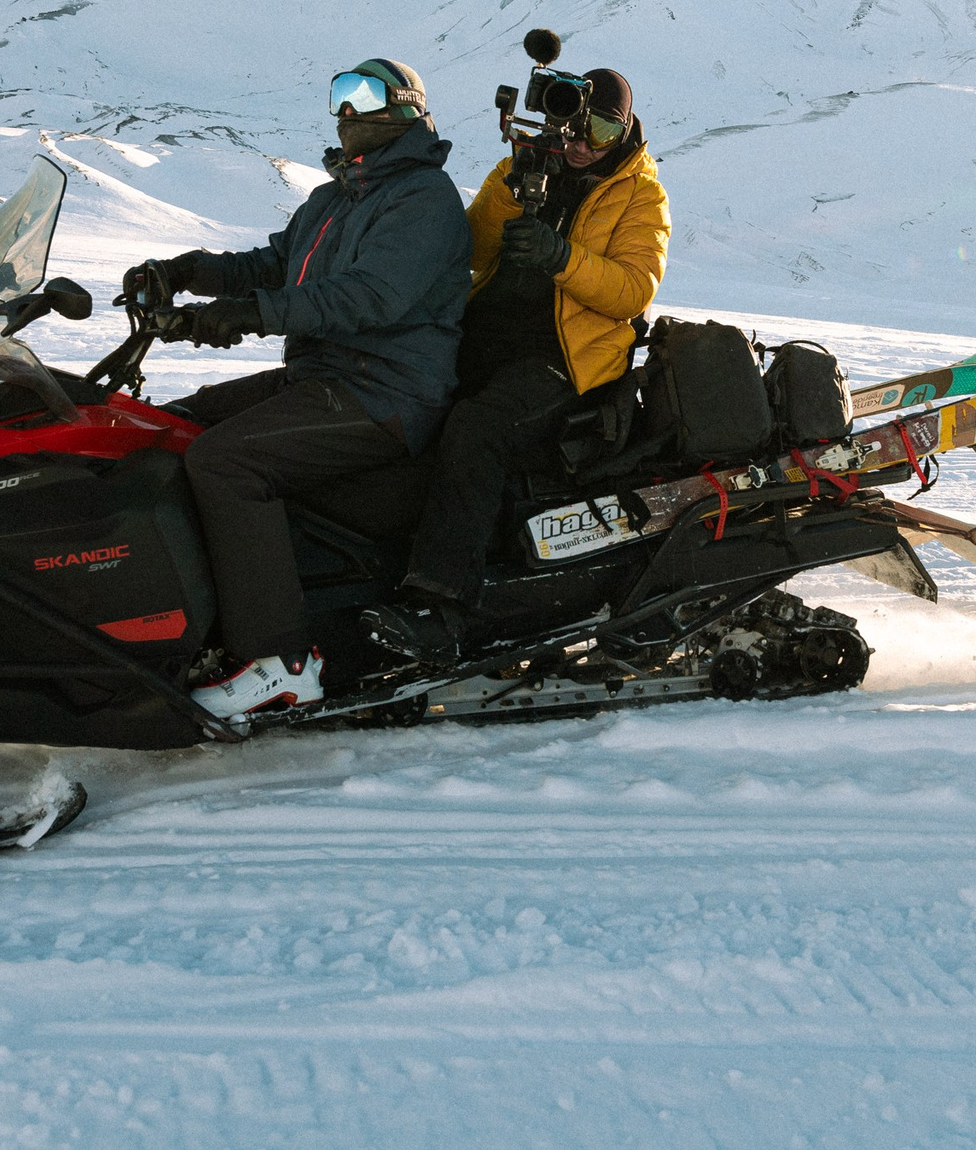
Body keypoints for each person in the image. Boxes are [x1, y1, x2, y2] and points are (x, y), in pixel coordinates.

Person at [125, 59, 470, 721]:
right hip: (326, 376)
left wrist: (255, 313)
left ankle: (278, 663)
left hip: (388, 394)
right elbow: (276, 262)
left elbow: (372, 296)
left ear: (401, 109)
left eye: (361, 95)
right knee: (168, 424)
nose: (344, 110)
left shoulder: (424, 198)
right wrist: (187, 272)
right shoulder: (336, 197)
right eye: (338, 94)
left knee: (225, 461)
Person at [361, 64, 670, 662]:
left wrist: (561, 258)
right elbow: (471, 249)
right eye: (573, 127)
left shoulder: (641, 194)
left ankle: (442, 603)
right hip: (486, 337)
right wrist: (515, 181)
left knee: (479, 429)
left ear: (625, 130)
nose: (581, 144)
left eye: (601, 131)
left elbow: (633, 291)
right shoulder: (521, 168)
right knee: (398, 396)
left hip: (570, 361)